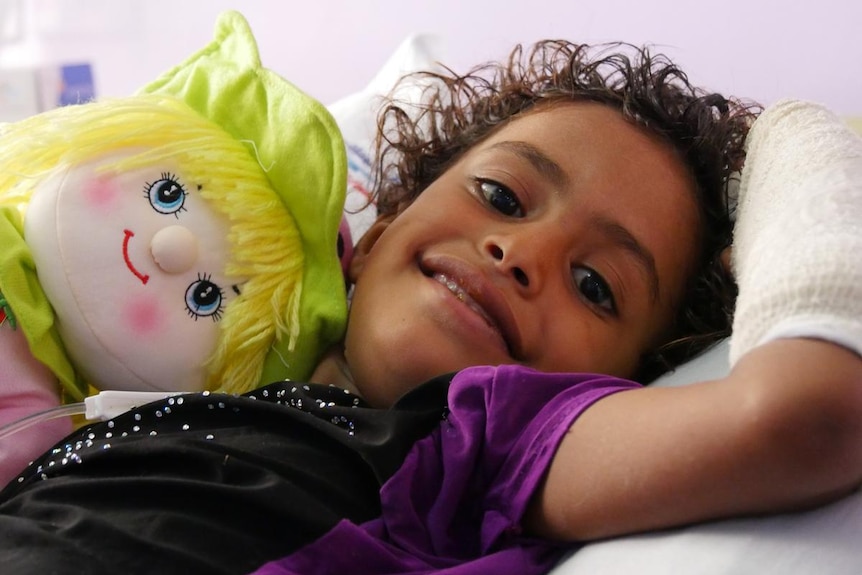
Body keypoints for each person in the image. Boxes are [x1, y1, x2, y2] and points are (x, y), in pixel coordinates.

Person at [0, 40, 860, 575]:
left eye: (596, 285)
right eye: (502, 194)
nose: (520, 254)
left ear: (618, 385)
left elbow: (803, 416)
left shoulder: (486, 433)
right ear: (373, 239)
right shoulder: (176, 383)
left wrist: (793, 134)